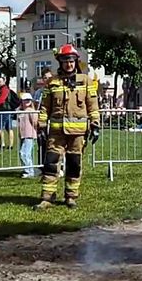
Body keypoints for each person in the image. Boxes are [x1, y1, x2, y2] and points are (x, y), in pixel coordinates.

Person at [34, 43, 100, 210]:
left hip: (78, 133)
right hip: (56, 133)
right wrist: (41, 126)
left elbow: (92, 105)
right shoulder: (52, 83)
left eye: (71, 61)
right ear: (60, 63)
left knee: (74, 163)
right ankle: (47, 197)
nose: (68, 64)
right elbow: (44, 107)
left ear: (76, 62)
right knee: (50, 163)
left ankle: (71, 197)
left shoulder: (86, 81)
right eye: (65, 61)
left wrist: (96, 125)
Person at [33, 68, 53, 163]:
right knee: (42, 143)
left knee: (54, 145)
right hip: (42, 121)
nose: (47, 79)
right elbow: (36, 106)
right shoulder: (38, 92)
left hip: (53, 121)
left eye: (49, 77)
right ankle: (41, 165)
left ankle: (57, 166)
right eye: (45, 78)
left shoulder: (56, 91)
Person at [17, 93, 38, 178]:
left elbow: (35, 122)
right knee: (23, 153)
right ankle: (27, 170)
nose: (26, 102)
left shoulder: (30, 111)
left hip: (29, 135)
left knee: (24, 153)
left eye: (28, 100)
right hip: (23, 135)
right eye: (25, 100)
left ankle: (29, 171)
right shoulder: (21, 111)